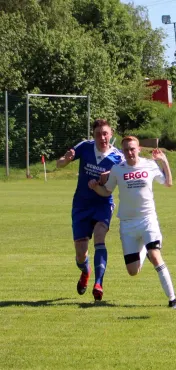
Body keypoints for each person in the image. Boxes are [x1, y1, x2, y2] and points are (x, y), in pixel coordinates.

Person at [88, 136, 176, 308]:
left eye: (132, 148)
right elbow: (107, 191)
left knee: (155, 256)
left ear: (138, 149)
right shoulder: (117, 169)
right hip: (127, 224)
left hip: (147, 220)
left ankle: (173, 299)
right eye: (126, 150)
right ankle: (145, 247)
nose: (130, 152)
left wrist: (164, 161)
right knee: (133, 271)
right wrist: (95, 187)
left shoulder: (150, 165)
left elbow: (168, 183)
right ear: (123, 152)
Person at [56, 119, 123, 301]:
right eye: (98, 134)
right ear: (93, 135)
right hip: (81, 205)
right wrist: (66, 160)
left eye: (105, 133)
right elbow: (59, 163)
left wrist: (109, 176)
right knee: (80, 254)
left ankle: (98, 283)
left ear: (111, 134)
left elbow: (126, 174)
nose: (102, 137)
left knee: (100, 236)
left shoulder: (118, 157)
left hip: (103, 203)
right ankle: (85, 271)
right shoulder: (85, 147)